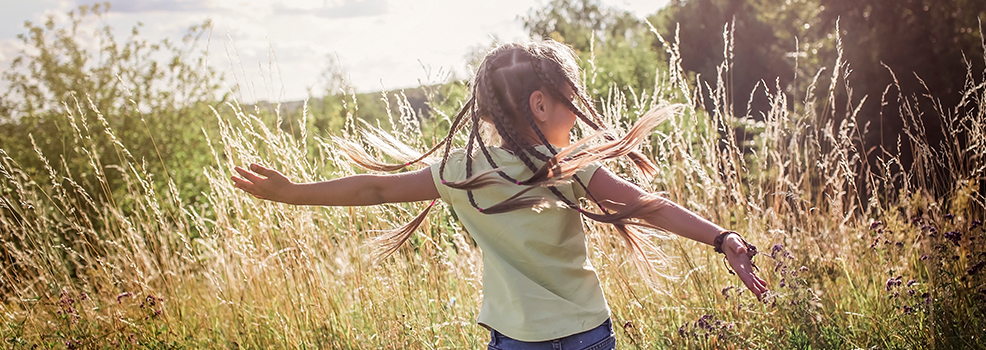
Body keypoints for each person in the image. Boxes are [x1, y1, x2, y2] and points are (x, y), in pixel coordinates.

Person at [231, 41, 767, 350]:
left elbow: (375, 187)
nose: (577, 113)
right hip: (588, 336)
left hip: (515, 342)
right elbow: (650, 206)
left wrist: (293, 193)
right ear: (539, 104)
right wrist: (723, 239)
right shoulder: (568, 167)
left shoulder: (460, 173)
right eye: (570, 101)